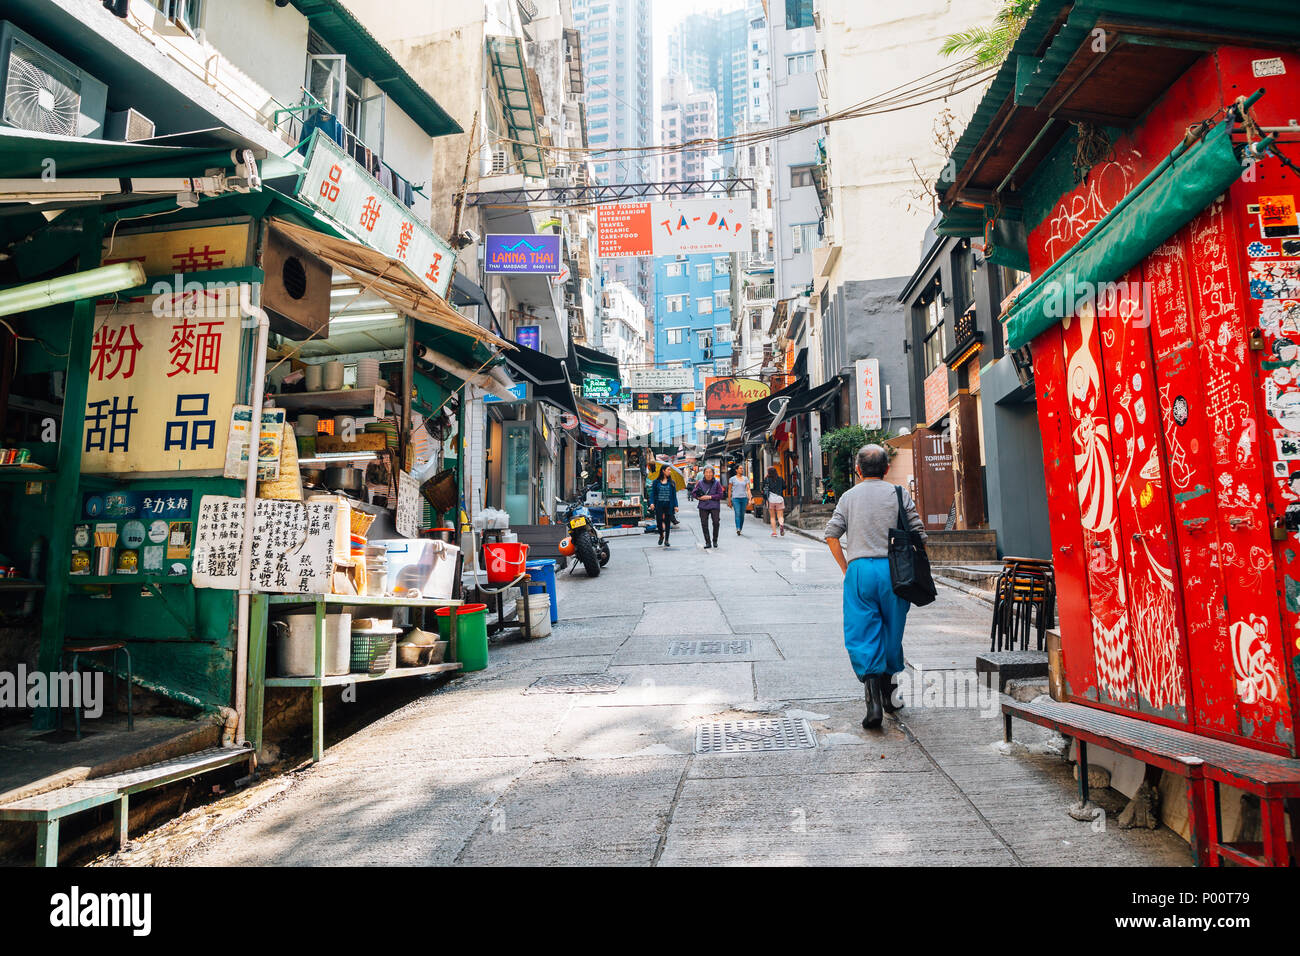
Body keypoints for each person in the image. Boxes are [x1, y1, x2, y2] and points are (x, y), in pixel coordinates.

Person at [824, 444, 926, 730]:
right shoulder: (898, 493)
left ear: (858, 470)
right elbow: (919, 533)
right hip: (894, 572)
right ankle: (890, 697)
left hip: (859, 571)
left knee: (863, 633)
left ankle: (873, 705)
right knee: (891, 632)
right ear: (887, 469)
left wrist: (847, 568)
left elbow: (832, 535)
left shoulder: (848, 497)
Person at [690, 465, 726, 549]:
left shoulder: (717, 483)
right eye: (707, 472)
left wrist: (710, 497)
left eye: (710, 472)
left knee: (716, 523)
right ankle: (708, 542)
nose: (708, 474)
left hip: (714, 506)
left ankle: (715, 540)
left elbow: (721, 495)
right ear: (704, 473)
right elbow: (694, 493)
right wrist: (699, 497)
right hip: (703, 506)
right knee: (704, 524)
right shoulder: (700, 483)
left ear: (713, 474)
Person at [649, 467, 679, 547]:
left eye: (670, 470)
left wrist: (676, 505)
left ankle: (666, 540)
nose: (670, 471)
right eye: (668, 470)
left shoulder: (672, 483)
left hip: (669, 505)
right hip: (659, 504)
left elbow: (674, 496)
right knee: (659, 521)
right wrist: (652, 503)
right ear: (663, 471)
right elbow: (653, 493)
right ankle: (661, 535)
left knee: (667, 522)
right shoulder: (656, 482)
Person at [728, 466, 752, 535]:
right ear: (736, 470)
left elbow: (748, 489)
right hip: (735, 499)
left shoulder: (745, 478)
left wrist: (750, 499)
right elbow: (729, 490)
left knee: (742, 515)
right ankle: (738, 528)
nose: (742, 470)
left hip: (744, 498)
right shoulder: (732, 479)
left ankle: (740, 528)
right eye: (740, 468)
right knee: (737, 513)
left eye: (742, 468)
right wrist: (729, 500)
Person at [763, 466, 786, 536]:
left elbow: (763, 488)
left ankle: (774, 532)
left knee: (772, 517)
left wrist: (766, 478)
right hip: (779, 499)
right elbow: (785, 487)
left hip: (771, 500)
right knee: (780, 516)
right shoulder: (780, 478)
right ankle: (781, 525)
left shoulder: (767, 479)